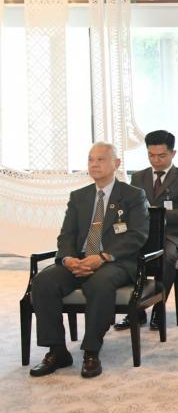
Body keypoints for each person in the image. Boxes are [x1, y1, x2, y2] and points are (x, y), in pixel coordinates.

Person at [29, 142, 150, 379]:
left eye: (101, 159)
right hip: (80, 259)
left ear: (116, 164)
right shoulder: (79, 197)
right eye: (91, 160)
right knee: (43, 281)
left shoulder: (133, 195)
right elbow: (67, 235)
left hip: (116, 261)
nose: (94, 164)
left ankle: (91, 351)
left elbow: (138, 235)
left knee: (99, 283)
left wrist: (103, 257)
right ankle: (57, 351)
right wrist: (67, 259)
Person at [114, 130, 178, 332]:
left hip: (173, 234)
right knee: (124, 254)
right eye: (151, 155)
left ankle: (159, 308)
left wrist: (158, 215)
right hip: (143, 234)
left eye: (161, 156)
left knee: (166, 257)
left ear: (173, 153)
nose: (156, 160)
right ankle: (136, 309)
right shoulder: (139, 177)